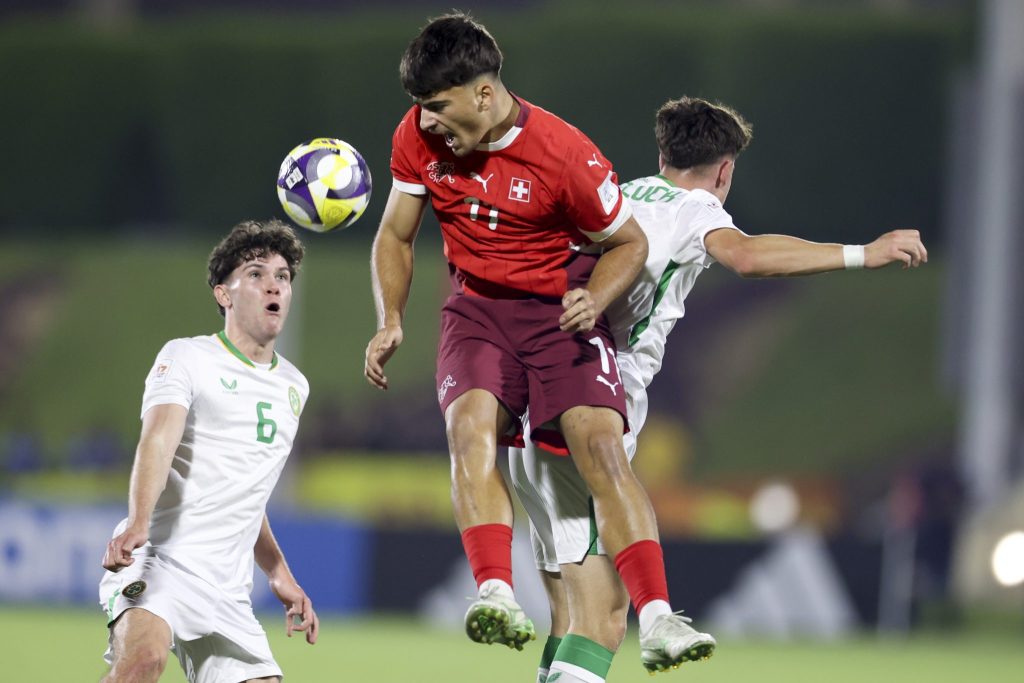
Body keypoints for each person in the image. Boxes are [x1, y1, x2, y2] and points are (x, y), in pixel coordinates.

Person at [510, 95, 928, 681]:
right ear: (726, 169)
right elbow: (750, 257)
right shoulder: (694, 209)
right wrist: (866, 251)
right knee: (604, 616)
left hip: (531, 399)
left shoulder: (618, 193)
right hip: (596, 403)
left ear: (663, 152)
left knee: (569, 614)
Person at [364, 13, 708, 665]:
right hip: (478, 312)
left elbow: (628, 243)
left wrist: (594, 298)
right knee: (468, 430)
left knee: (603, 449)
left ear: (485, 94)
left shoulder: (564, 154)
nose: (427, 121)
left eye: (438, 106)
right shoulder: (416, 137)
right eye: (421, 108)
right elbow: (395, 235)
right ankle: (494, 590)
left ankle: (660, 618)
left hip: (559, 314)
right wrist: (391, 318)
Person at [98, 219, 319, 683]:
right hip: (161, 558)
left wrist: (278, 571)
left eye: (282, 276)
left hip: (227, 590)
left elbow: (246, 490)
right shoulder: (187, 357)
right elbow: (157, 440)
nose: (273, 285)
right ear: (224, 294)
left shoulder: (294, 387)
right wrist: (138, 521)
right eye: (256, 274)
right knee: (143, 661)